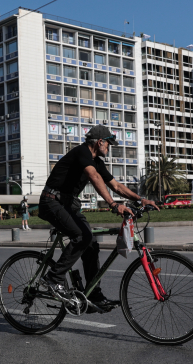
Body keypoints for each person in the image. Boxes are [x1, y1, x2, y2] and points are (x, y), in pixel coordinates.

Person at [38, 125, 159, 311]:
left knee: (91, 243)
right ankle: (53, 279)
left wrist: (141, 200)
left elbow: (116, 186)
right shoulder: (81, 153)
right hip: (51, 201)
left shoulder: (97, 161)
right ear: (99, 142)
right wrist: (113, 204)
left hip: (68, 204)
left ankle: (93, 294)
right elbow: (94, 177)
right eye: (108, 144)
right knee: (82, 236)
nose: (109, 147)